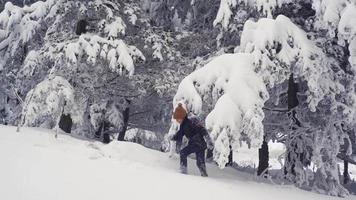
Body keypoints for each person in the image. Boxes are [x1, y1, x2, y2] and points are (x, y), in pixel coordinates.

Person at [171, 103, 214, 177]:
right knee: (200, 163)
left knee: (183, 153)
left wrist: (208, 140)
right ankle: (204, 175)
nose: (177, 121)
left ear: (182, 116)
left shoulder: (191, 121)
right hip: (200, 145)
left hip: (196, 143)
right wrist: (173, 137)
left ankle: (183, 170)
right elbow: (180, 134)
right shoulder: (183, 125)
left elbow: (202, 129)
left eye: (178, 118)